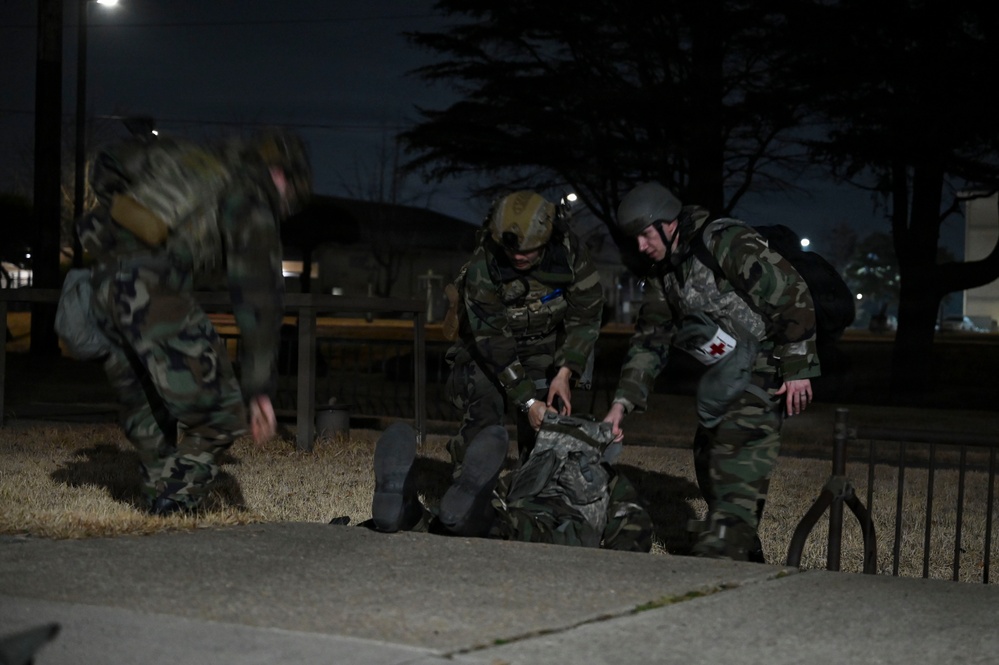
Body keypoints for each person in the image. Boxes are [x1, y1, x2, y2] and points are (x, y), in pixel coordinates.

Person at [76, 128, 312, 515]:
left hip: (101, 285)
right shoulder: (251, 193)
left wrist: (122, 211)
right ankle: (174, 500)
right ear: (281, 175)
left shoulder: (186, 156)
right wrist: (258, 388)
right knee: (219, 413)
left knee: (148, 404)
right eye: (290, 198)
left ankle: (157, 493)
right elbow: (258, 295)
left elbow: (110, 159)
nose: (285, 206)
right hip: (151, 286)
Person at [602, 182, 820, 562]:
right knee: (707, 454)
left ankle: (723, 550)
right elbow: (650, 340)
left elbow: (792, 292)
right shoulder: (664, 273)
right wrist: (622, 403)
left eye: (644, 235)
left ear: (668, 224)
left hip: (767, 364)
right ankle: (745, 550)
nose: (640, 246)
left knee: (735, 456)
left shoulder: (725, 241)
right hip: (727, 371)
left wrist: (799, 367)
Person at [444, 190, 604, 471]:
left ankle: (536, 488)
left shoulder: (570, 252)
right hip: (487, 349)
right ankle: (470, 486)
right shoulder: (484, 265)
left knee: (549, 415)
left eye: (528, 250)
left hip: (544, 343)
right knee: (484, 409)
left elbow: (586, 315)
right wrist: (527, 400)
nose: (518, 256)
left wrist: (565, 372)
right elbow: (493, 341)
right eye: (512, 250)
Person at [369, 418, 652, 552]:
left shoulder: (534, 466)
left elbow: (495, 493)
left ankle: (410, 512)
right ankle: (465, 520)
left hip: (524, 517)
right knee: (494, 524)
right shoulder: (611, 479)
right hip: (557, 531)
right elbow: (633, 528)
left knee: (467, 517)